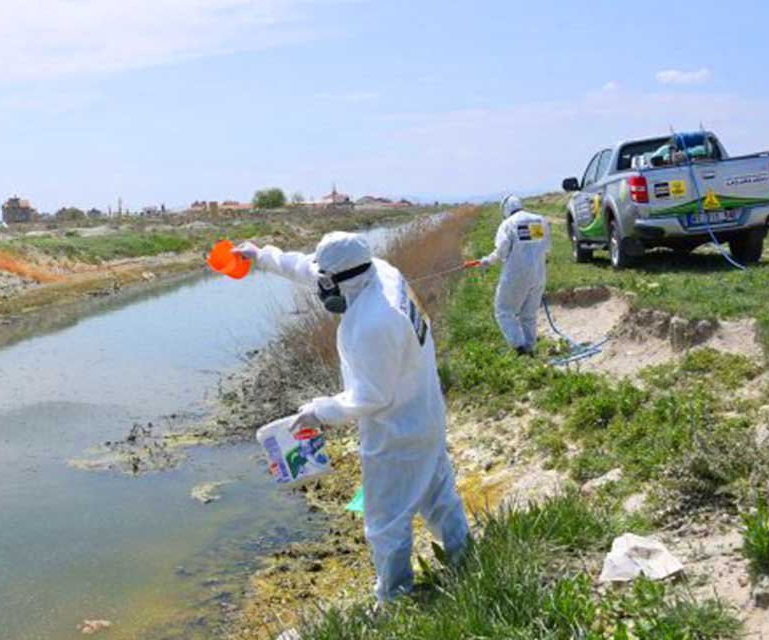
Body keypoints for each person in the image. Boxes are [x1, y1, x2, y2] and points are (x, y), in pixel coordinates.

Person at [233, 232, 470, 604]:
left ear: (342, 279)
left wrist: (317, 411)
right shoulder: (376, 270)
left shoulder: (375, 321)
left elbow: (372, 397)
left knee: (386, 522)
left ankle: (395, 599)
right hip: (425, 408)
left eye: (327, 284)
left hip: (398, 433)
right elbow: (307, 267)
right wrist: (261, 256)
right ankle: (465, 563)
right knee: (439, 495)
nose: (321, 289)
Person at [476, 195, 551, 355]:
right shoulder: (539, 220)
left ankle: (519, 347)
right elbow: (546, 247)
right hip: (539, 274)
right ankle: (530, 347)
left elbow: (502, 251)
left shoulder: (508, 224)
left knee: (503, 310)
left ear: (505, 209)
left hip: (516, 275)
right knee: (529, 315)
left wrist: (487, 261)